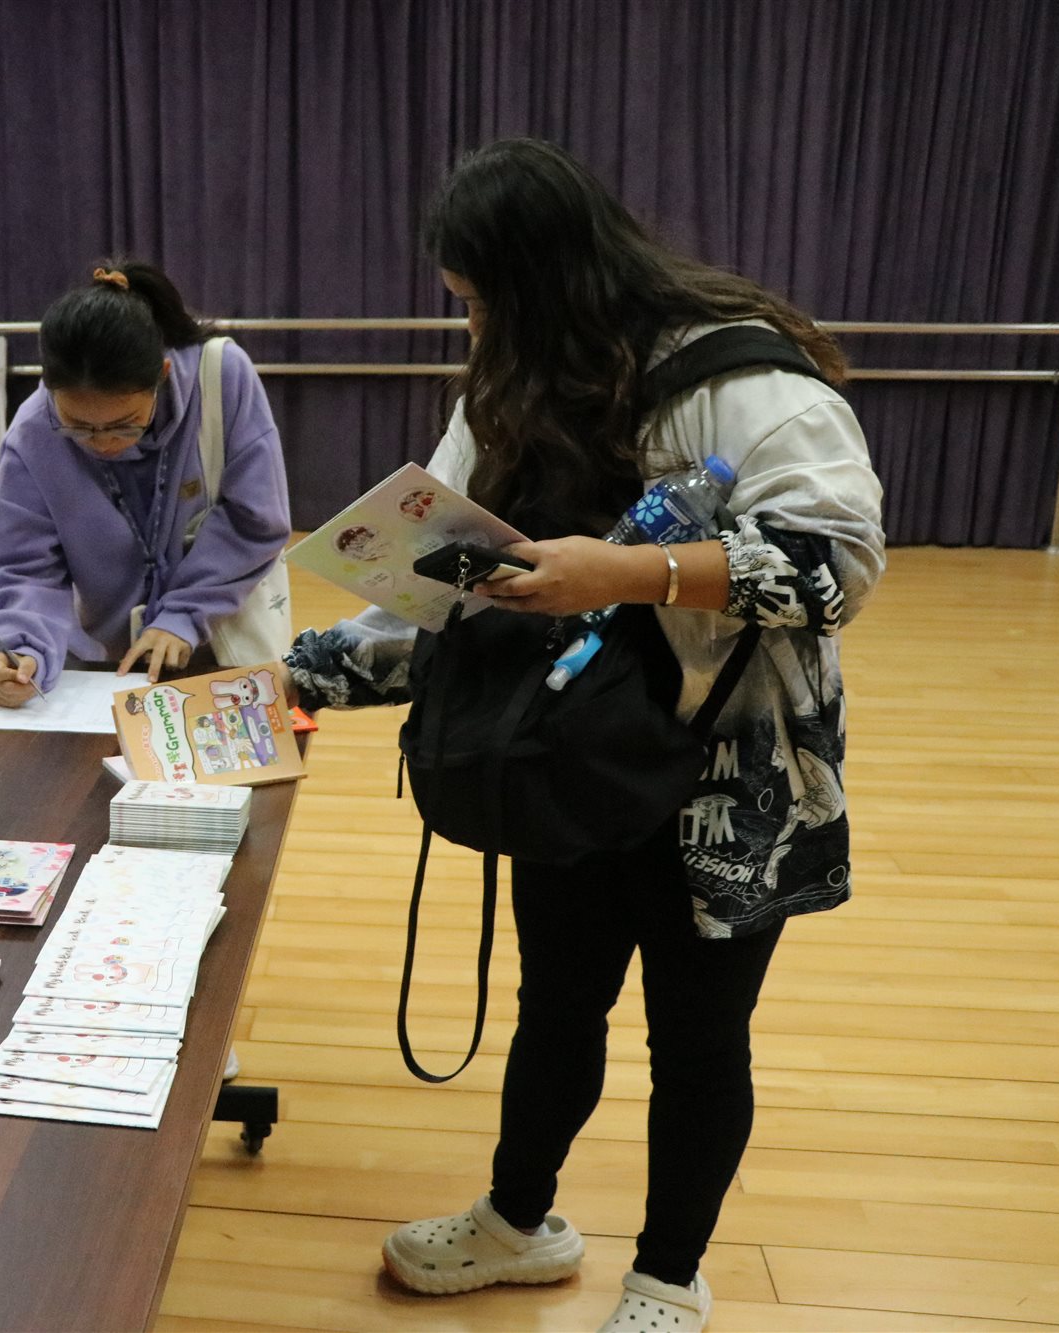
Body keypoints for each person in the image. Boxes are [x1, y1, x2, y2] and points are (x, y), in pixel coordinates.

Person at [286, 141, 884, 1333]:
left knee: (697, 1038)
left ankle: (667, 1275)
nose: (471, 329)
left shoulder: (738, 378)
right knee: (556, 1005)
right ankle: (517, 1220)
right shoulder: (508, 390)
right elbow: (434, 595)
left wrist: (622, 571)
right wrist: (287, 683)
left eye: (479, 303)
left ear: (547, 282)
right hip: (556, 761)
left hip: (725, 780)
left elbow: (835, 567)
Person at [0, 261, 291, 704]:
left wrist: (184, 614)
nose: (103, 442)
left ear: (162, 375)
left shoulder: (222, 377)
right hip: (111, 662)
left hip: (224, 647)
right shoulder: (33, 433)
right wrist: (26, 648)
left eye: (125, 424)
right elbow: (23, 565)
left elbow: (254, 520)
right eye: (78, 427)